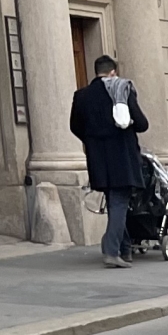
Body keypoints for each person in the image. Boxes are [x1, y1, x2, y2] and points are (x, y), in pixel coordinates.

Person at [68, 54, 145, 268]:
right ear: (112, 72)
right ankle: (111, 251)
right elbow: (141, 123)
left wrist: (92, 142)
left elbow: (74, 126)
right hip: (123, 157)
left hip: (98, 160)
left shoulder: (81, 95)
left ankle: (125, 248)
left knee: (114, 203)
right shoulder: (122, 89)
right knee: (120, 201)